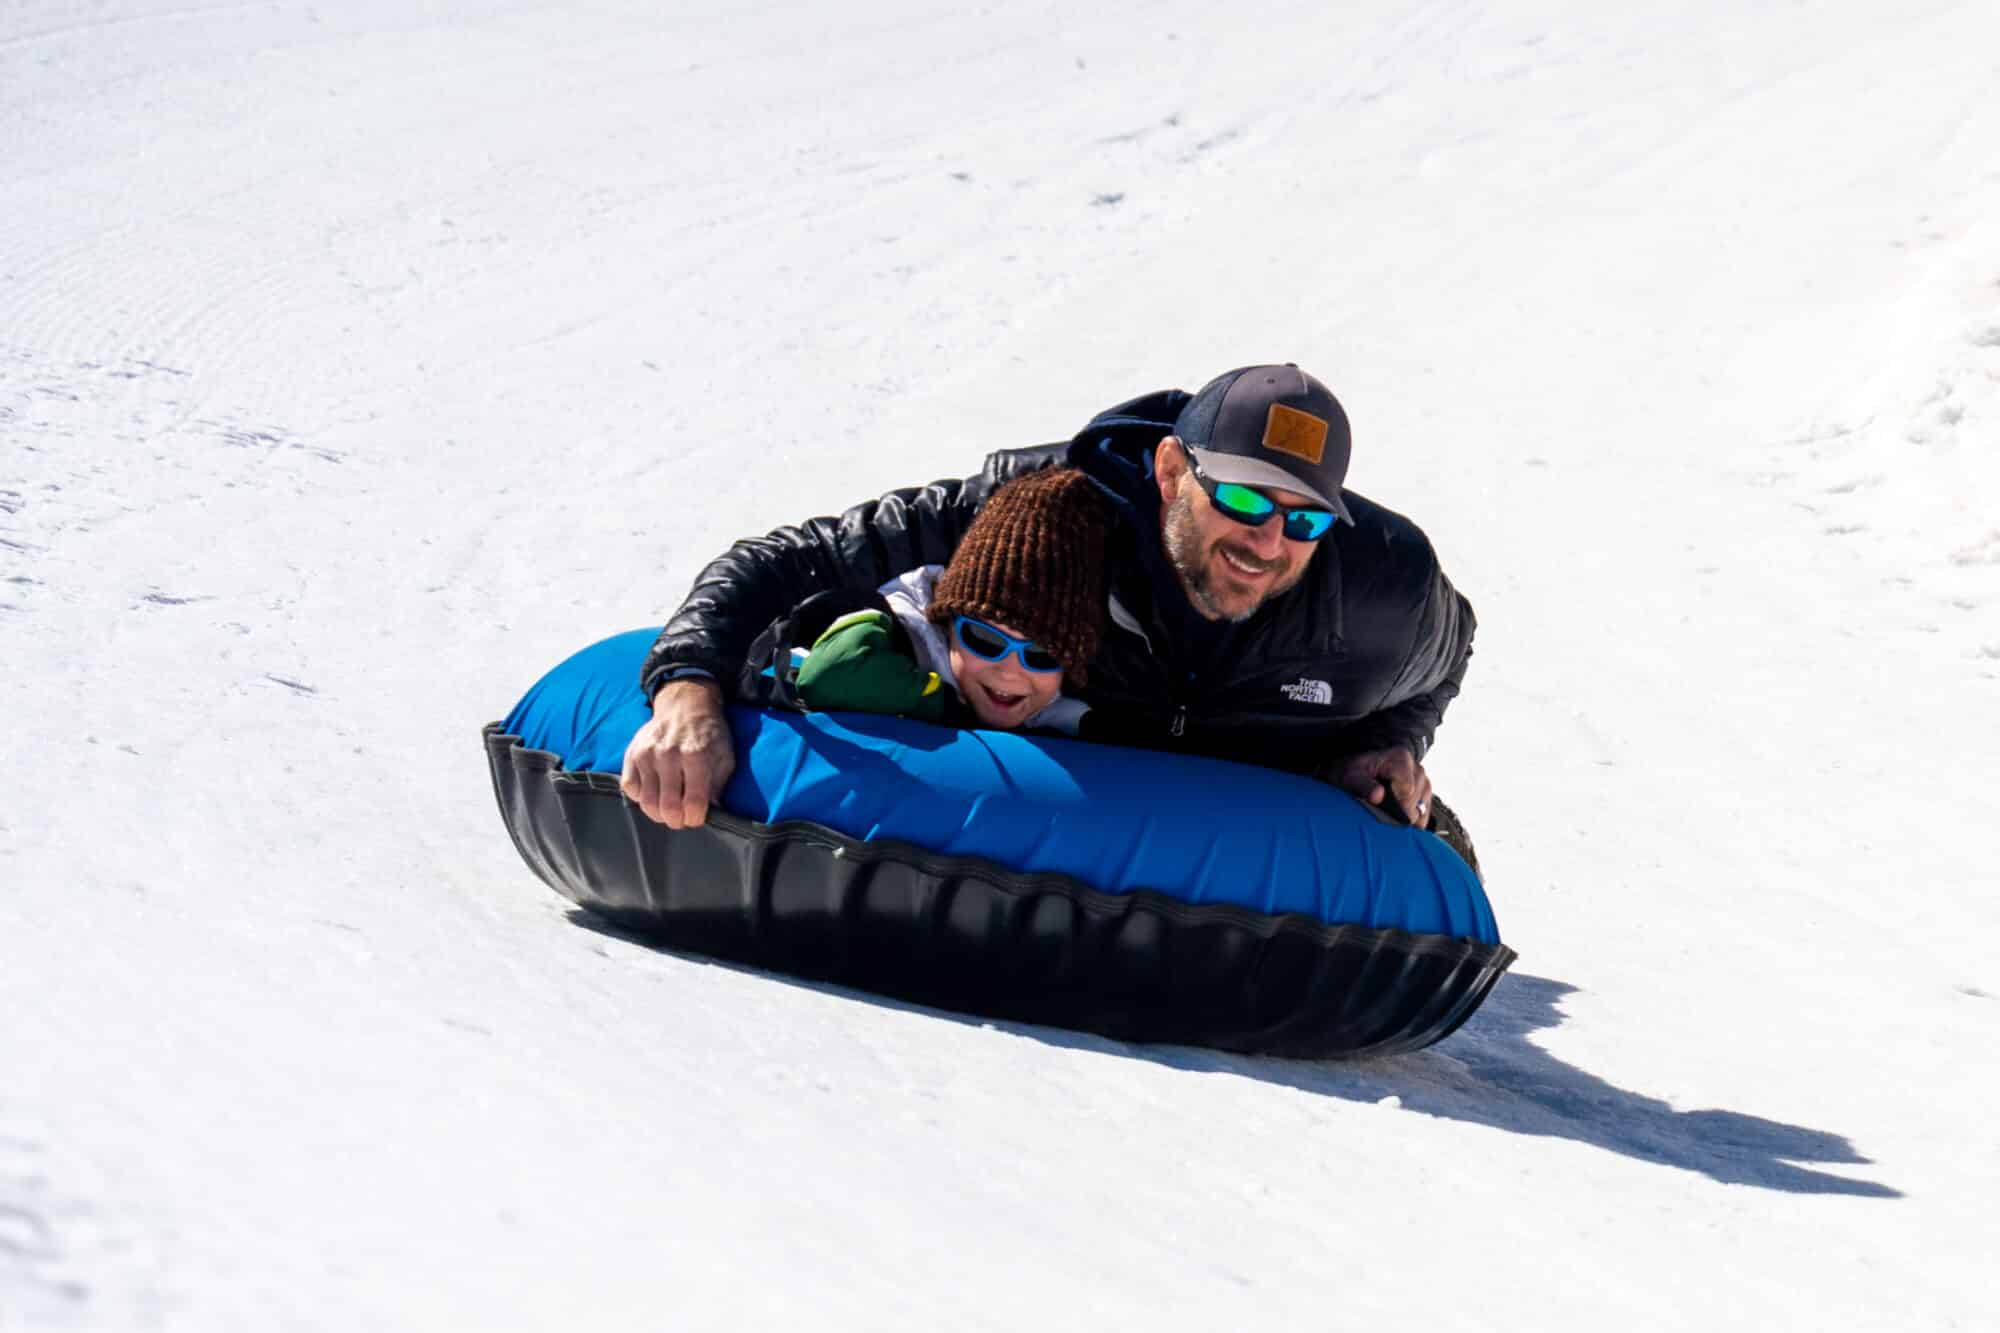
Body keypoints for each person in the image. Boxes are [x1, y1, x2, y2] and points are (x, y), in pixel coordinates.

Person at [622, 363, 1476, 862]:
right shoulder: (1043, 514)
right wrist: (689, 689)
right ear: (1174, 472)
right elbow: (792, 558)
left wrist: (1388, 744)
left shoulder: (1382, 593)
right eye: (1247, 502)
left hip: (1246, 806)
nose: (1270, 541)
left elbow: (1447, 656)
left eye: (1305, 518)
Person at [771, 465, 1109, 732]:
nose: (1010, 671)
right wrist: (944, 704)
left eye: (1041, 653)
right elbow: (830, 674)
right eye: (985, 639)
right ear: (947, 622)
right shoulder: (906, 637)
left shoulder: (1072, 701)